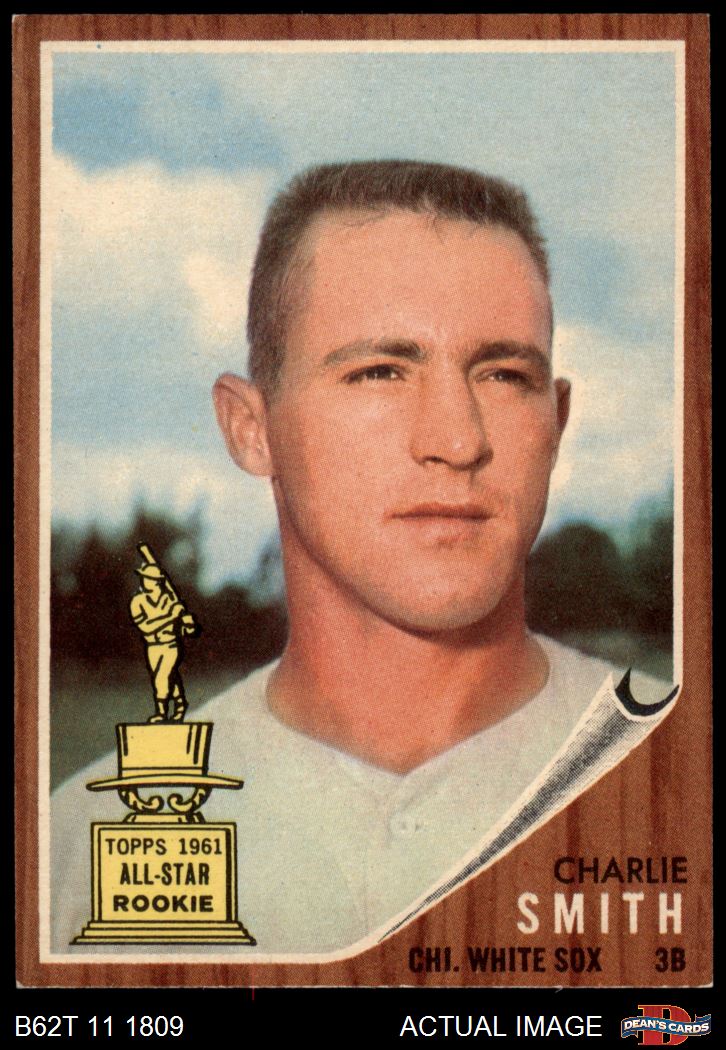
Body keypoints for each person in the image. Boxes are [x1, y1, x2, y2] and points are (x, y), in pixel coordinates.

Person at [52, 161, 662, 954]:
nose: (457, 440)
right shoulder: (76, 854)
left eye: (506, 375)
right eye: (379, 372)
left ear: (558, 420)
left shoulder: (678, 777)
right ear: (250, 429)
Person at [129, 561, 198, 723]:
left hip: (170, 645)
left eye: (149, 578)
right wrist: (171, 616)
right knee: (168, 677)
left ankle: (161, 713)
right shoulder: (137, 602)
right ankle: (180, 704)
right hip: (152, 647)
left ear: (157, 582)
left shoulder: (169, 601)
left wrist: (187, 624)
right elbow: (147, 627)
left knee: (162, 678)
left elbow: (186, 630)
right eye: (144, 577)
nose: (144, 581)